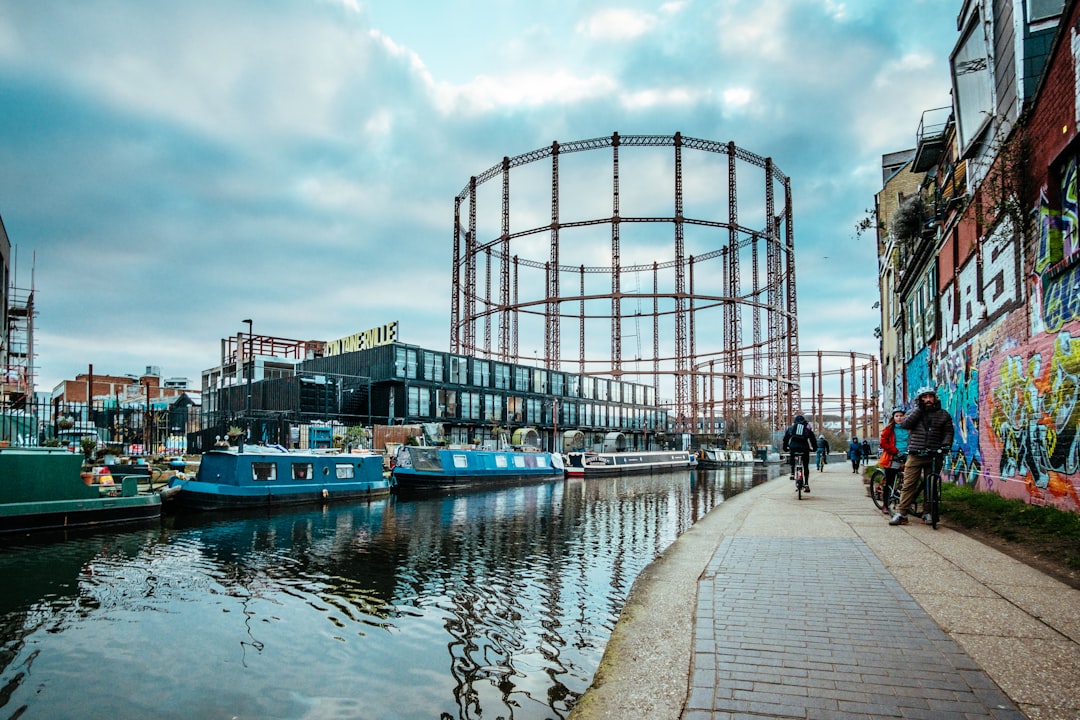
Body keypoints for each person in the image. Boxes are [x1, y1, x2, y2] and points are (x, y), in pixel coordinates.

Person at [890, 385, 955, 526]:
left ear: (935, 398)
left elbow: (948, 432)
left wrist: (946, 445)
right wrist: (919, 409)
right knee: (909, 484)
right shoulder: (914, 413)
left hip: (934, 453)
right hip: (916, 453)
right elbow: (906, 424)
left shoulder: (943, 414)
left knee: (931, 485)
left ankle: (928, 512)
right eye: (924, 397)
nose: (928, 400)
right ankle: (902, 513)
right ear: (920, 400)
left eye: (930, 397)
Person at [877, 408, 909, 515]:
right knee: (889, 482)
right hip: (893, 457)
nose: (899, 418)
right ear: (893, 418)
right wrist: (895, 451)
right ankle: (885, 505)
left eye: (901, 416)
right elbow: (883, 443)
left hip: (907, 456)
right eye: (897, 416)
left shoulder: (909, 429)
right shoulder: (889, 429)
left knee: (908, 481)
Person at [782, 414, 817, 492]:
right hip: (804, 448)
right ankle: (807, 484)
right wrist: (814, 448)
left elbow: (785, 439)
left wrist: (785, 448)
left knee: (792, 456)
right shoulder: (807, 428)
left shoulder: (791, 428)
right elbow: (813, 439)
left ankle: (792, 473)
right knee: (805, 465)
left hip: (793, 447)